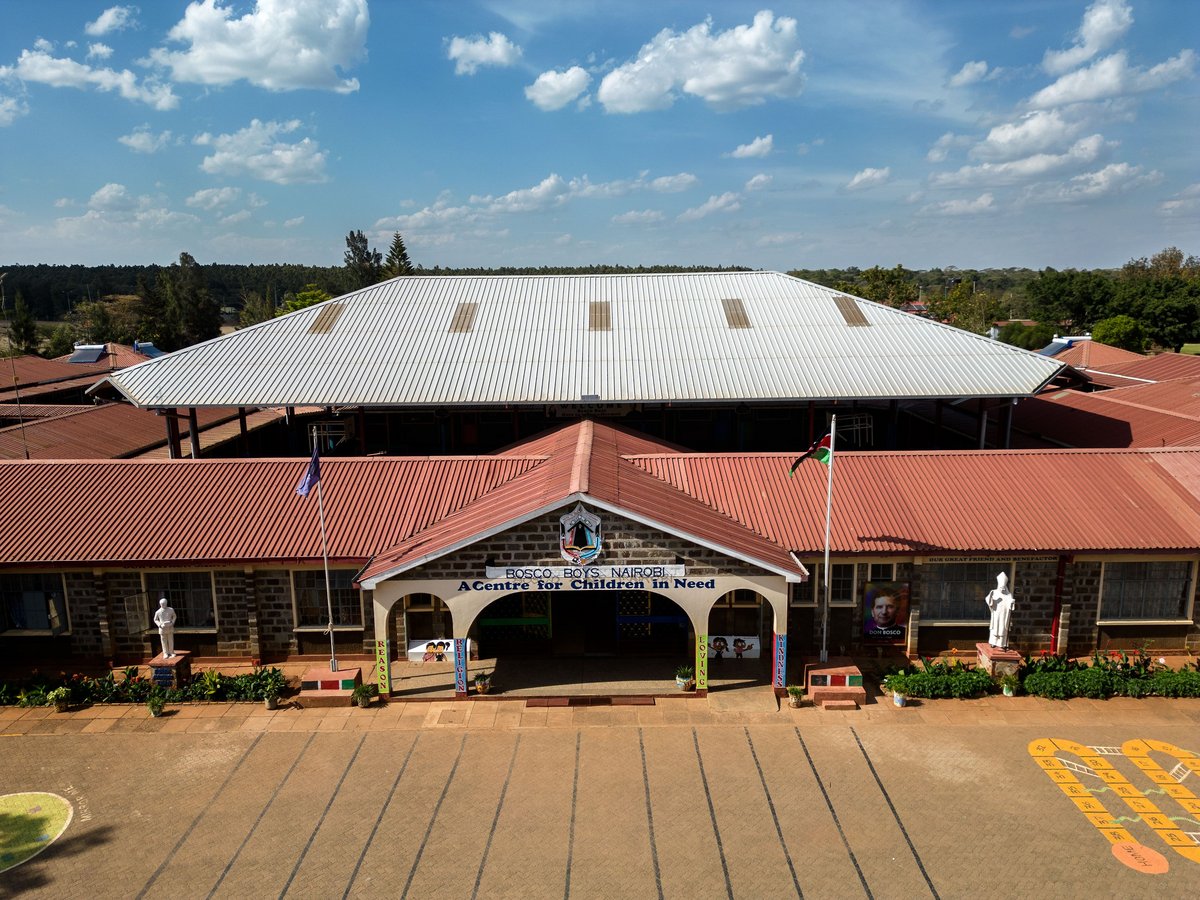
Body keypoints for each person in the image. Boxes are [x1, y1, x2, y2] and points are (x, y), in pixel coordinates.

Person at [984, 572, 1015, 649]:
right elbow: (988, 601)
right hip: (996, 613)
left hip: (1004, 615)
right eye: (1001, 587)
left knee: (1002, 628)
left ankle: (1002, 644)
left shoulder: (1008, 594)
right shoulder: (994, 592)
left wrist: (1011, 603)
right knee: (995, 627)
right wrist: (990, 598)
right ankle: (993, 642)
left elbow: (1011, 605)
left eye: (1003, 587)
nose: (1002, 589)